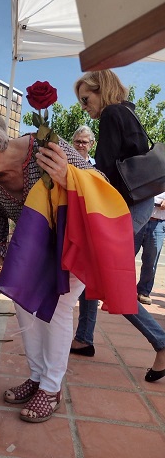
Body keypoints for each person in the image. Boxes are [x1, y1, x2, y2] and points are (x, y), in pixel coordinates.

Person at [0, 107, 97, 423]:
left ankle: (52, 389)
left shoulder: (45, 146)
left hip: (75, 243)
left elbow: (101, 182)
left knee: (59, 306)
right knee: (25, 304)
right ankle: (38, 378)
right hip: (38, 252)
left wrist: (69, 177)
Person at [74, 69, 165, 382]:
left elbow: (107, 168)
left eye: (87, 99)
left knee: (108, 276)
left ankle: (162, 341)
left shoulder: (113, 113)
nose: (85, 106)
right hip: (137, 200)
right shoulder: (128, 111)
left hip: (127, 204)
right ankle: (84, 337)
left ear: (103, 90)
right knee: (93, 268)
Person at [69, 125, 99, 357]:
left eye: (85, 142)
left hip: (90, 233)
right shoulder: (66, 164)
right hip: (68, 231)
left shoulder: (98, 169)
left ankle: (84, 338)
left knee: (89, 288)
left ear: (92, 144)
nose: (81, 145)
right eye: (77, 141)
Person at [135, 192, 165, 305]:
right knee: (125, 258)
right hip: (138, 220)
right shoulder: (147, 175)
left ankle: (143, 291)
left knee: (151, 261)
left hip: (158, 223)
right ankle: (115, 288)